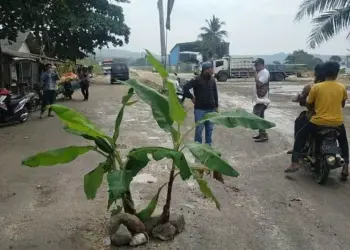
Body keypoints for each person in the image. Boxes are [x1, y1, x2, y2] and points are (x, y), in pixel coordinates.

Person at [285, 61, 349, 180]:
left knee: (300, 136)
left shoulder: (316, 87)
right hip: (337, 122)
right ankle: (345, 166)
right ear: (337, 73)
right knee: (344, 141)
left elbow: (309, 104)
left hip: (318, 121)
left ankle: (294, 162)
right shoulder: (342, 87)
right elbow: (343, 104)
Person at [287, 63, 326, 154]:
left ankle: (297, 152)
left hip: (315, 116)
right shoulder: (336, 86)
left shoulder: (311, 86)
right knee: (342, 138)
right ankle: (346, 162)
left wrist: (298, 100)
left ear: (316, 73)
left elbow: (305, 101)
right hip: (332, 116)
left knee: (299, 122)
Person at [183, 61, 218, 146]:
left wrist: (216, 106)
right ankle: (197, 147)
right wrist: (191, 97)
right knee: (199, 129)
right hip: (200, 109)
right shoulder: (196, 79)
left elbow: (215, 93)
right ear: (205, 70)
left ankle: (208, 146)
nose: (212, 71)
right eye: (211, 69)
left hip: (211, 109)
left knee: (209, 129)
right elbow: (185, 88)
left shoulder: (212, 80)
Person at [252, 58, 270, 142]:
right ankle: (262, 134)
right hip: (260, 98)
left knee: (258, 116)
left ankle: (264, 135)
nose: (255, 66)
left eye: (257, 64)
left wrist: (255, 73)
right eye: (255, 64)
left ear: (262, 65)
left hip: (263, 99)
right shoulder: (261, 72)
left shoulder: (265, 73)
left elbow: (259, 84)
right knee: (260, 116)